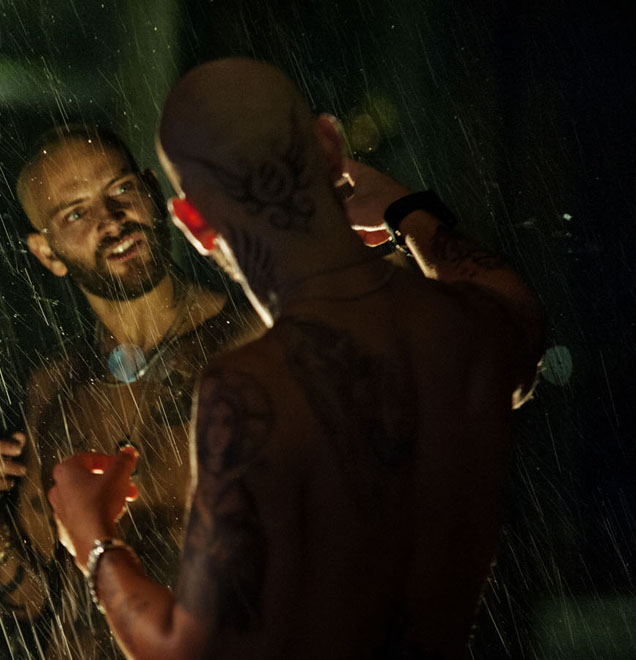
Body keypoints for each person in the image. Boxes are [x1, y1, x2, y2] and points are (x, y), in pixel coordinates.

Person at [47, 58, 544, 660]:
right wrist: (405, 210)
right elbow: (507, 296)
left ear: (193, 224)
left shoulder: (251, 387)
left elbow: (187, 654)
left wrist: (93, 540)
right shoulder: (470, 325)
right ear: (332, 148)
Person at [0, 124, 265, 658]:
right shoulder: (54, 388)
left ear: (151, 191)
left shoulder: (254, 342)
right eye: (75, 214)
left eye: (120, 190)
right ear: (47, 254)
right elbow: (34, 599)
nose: (111, 220)